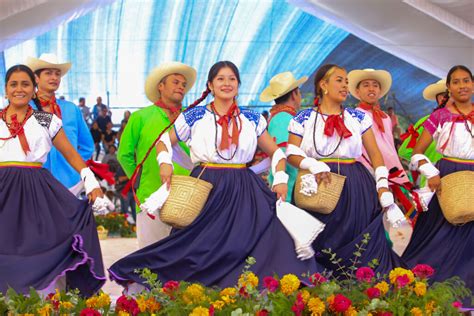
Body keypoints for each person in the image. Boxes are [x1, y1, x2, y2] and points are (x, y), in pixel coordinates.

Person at [109, 61, 320, 290]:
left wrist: (279, 179)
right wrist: (164, 163)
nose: (226, 83)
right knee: (199, 247)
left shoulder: (252, 119)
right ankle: (189, 295)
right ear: (210, 85)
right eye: (220, 79)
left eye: (232, 79)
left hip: (243, 189)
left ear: (238, 85)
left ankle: (243, 294)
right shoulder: (194, 116)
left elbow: (277, 152)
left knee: (260, 240)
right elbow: (162, 142)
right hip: (207, 187)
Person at [287, 64, 405, 277]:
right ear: (323, 85)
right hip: (317, 184)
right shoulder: (303, 118)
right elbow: (291, 153)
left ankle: (364, 295)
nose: (344, 86)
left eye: (346, 82)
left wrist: (383, 188)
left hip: (355, 185)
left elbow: (376, 155)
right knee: (319, 241)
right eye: (339, 80)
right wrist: (311, 164)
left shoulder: (358, 118)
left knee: (361, 244)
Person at [0, 65, 106, 296]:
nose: (19, 89)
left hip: (36, 192)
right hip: (3, 192)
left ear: (34, 88)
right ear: (6, 89)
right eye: (13, 84)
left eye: (25, 84)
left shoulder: (46, 120)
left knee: (40, 244)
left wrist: (91, 181)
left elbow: (71, 153)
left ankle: (40, 300)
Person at [402, 65, 473, 307]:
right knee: (436, 233)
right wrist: (430, 171)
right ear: (449, 88)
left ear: (472, 85)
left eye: (466, 81)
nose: (462, 85)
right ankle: (424, 288)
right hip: (447, 176)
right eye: (456, 82)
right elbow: (417, 152)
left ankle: (465, 293)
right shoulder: (439, 116)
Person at [117, 62, 196, 248]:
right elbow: (124, 154)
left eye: (183, 85)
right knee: (150, 256)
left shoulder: (192, 118)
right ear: (160, 86)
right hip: (150, 196)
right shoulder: (140, 117)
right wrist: (139, 180)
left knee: (185, 255)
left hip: (188, 199)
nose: (180, 87)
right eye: (175, 82)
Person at [348, 69, 418, 223]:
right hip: (366, 171)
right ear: (357, 91)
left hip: (390, 171)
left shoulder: (385, 117)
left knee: (401, 212)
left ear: (380, 91)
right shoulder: (353, 116)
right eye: (366, 85)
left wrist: (396, 167)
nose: (371, 89)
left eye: (375, 85)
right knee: (369, 214)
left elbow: (388, 145)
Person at [26, 53, 94, 195]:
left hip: (70, 183)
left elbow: (88, 146)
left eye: (57, 74)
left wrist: (74, 169)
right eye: (48, 73)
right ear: (36, 78)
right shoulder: (25, 109)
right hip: (34, 183)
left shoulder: (71, 109)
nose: (54, 77)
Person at [260, 71, 307, 202]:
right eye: (299, 93)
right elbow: (282, 152)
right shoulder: (284, 118)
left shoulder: (279, 116)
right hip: (288, 188)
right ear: (294, 94)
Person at [398, 80, 447, 187]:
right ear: (437, 99)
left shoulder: (468, 120)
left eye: (448, 95)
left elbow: (404, 151)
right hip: (434, 178)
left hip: (458, 176)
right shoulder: (427, 121)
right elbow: (404, 151)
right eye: (443, 96)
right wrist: (426, 163)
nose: (446, 98)